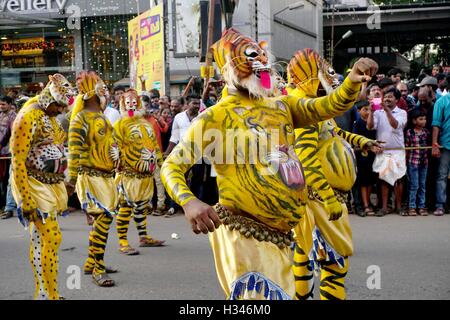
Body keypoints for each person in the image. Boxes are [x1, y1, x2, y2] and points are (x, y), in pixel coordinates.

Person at [161, 28, 377, 300]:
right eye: (252, 55)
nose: (262, 60)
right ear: (228, 65)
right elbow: (171, 166)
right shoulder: (213, 118)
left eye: (263, 53)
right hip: (244, 236)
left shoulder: (282, 106)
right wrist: (189, 202)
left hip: (281, 235)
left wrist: (352, 82)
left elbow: (328, 106)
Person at [287, 49, 381, 300]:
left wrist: (361, 141)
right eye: (326, 71)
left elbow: (334, 134)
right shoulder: (304, 109)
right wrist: (328, 197)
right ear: (310, 76)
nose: (333, 76)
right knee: (335, 260)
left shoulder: (315, 107)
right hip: (319, 198)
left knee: (308, 253)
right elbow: (306, 157)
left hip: (322, 197)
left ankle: (301, 296)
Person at [10, 74, 74, 300]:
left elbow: (57, 148)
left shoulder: (53, 118)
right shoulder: (27, 117)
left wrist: (64, 180)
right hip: (32, 185)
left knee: (39, 239)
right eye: (59, 106)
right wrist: (26, 197)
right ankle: (51, 295)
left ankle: (44, 294)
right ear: (50, 99)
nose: (61, 110)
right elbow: (17, 160)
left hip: (51, 185)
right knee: (53, 238)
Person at [67, 71, 119, 287]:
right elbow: (74, 150)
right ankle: (98, 268)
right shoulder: (80, 118)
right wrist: (70, 181)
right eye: (103, 89)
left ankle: (91, 261)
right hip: (90, 177)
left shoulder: (102, 117)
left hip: (107, 178)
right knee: (103, 221)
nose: (106, 92)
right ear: (94, 93)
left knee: (102, 222)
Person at [114, 89, 165, 255]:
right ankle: (123, 241)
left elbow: (154, 144)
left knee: (142, 207)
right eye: (127, 102)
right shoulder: (120, 125)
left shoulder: (145, 123)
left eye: (134, 102)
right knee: (126, 207)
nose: (131, 105)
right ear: (122, 104)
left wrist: (159, 161)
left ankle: (143, 238)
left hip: (146, 174)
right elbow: (115, 147)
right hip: (129, 175)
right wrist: (118, 163)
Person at [368, 88, 408, 216]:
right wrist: (370, 111)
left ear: (397, 99)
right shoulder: (378, 112)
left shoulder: (402, 113)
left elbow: (395, 125)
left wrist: (387, 110)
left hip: (397, 151)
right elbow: (369, 127)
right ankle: (384, 207)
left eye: (390, 97)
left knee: (398, 179)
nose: (386, 99)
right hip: (382, 151)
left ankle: (398, 207)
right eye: (385, 97)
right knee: (384, 179)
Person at [353, 100, 378, 217]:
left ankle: (368, 202)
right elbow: (356, 143)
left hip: (373, 157)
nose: (368, 112)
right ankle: (365, 205)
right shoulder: (357, 123)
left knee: (370, 181)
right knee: (363, 182)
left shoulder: (372, 123)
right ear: (358, 111)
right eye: (365, 110)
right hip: (361, 157)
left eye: (369, 109)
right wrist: (369, 147)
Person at [405, 110, 429, 216]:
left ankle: (422, 206)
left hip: (424, 162)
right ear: (414, 121)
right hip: (412, 162)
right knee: (414, 185)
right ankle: (412, 206)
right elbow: (407, 148)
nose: (424, 121)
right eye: (421, 119)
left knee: (422, 185)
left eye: (424, 118)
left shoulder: (426, 132)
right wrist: (405, 162)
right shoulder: (409, 132)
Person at [431, 93, 450, 216]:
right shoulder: (442, 101)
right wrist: (434, 144)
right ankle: (440, 205)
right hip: (446, 144)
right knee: (442, 175)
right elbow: (436, 124)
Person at [0, 95, 17, 219]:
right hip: (3, 151)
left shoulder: (14, 117)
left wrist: (1, 145)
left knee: (8, 181)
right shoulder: (1, 115)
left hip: (9, 153)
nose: (1, 106)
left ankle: (9, 208)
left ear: (10, 104)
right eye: (0, 104)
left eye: (3, 104)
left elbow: (9, 135)